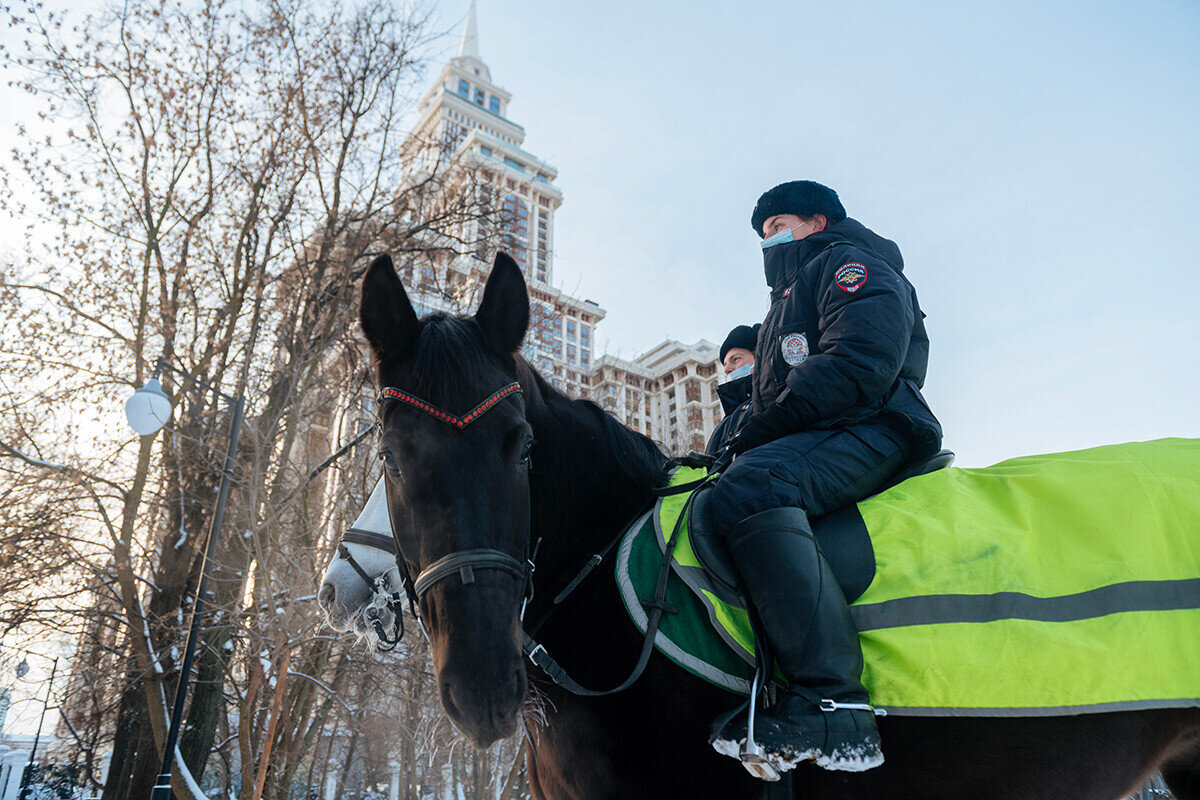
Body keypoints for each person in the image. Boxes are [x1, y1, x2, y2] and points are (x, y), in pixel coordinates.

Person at [702, 180, 942, 772]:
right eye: (763, 236)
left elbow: (859, 363)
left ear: (815, 221)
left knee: (754, 488)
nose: (770, 241)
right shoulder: (784, 300)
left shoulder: (849, 264)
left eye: (777, 226)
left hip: (874, 421)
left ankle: (835, 707)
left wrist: (762, 430)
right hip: (824, 427)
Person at [706, 324, 759, 456]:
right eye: (725, 364)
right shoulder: (727, 419)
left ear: (759, 357)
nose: (727, 369)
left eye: (735, 359)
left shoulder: (770, 399)